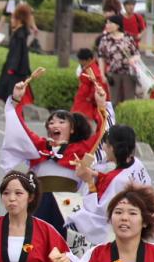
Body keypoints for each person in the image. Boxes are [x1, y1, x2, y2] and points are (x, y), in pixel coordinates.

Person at [8, 80, 107, 236]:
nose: (55, 125)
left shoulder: (80, 149)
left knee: (63, 245)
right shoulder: (39, 146)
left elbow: (102, 133)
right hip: (39, 202)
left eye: (62, 122)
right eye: (51, 122)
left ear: (72, 129)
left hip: (68, 204)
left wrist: (101, 105)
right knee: (36, 241)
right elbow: (19, 128)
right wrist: (16, 100)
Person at [68, 125, 151, 246]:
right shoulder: (136, 163)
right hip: (136, 224)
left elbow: (98, 210)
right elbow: (115, 179)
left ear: (113, 148)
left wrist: (89, 181)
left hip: (115, 234)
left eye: (106, 144)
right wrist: (96, 174)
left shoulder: (117, 180)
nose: (104, 148)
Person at [97, 15, 139, 106]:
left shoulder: (127, 37)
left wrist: (132, 59)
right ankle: (113, 119)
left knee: (129, 99)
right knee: (113, 100)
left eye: (110, 23)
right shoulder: (105, 39)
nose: (107, 25)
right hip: (113, 73)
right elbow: (101, 57)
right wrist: (102, 73)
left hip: (129, 73)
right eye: (106, 23)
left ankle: (128, 119)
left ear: (117, 25)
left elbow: (136, 54)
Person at [0, 4, 32, 103]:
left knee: (11, 94)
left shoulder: (19, 35)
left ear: (19, 19)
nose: (11, 20)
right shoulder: (20, 32)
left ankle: (13, 115)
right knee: (10, 94)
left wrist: (12, 68)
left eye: (12, 18)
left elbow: (17, 53)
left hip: (16, 71)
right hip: (16, 69)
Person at [72, 48, 110, 124]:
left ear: (88, 59)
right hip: (84, 97)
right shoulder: (90, 67)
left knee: (83, 117)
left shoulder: (93, 69)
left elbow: (97, 84)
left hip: (86, 99)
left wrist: (90, 97)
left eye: (81, 61)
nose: (80, 62)